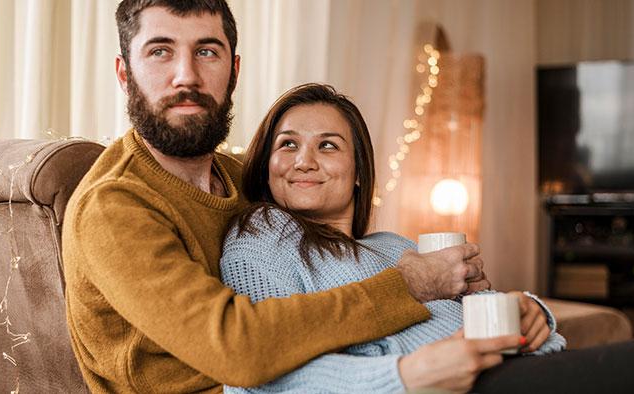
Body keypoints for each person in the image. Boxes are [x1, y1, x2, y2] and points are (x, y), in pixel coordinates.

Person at [62, 1, 491, 393]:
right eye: (160, 51)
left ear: (234, 71)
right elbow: (237, 350)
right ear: (124, 73)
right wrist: (411, 285)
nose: (187, 76)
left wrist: (463, 291)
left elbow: (330, 261)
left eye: (207, 51)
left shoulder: (247, 177)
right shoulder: (113, 206)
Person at [219, 83, 565, 394]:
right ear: (268, 163)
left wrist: (531, 309)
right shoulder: (260, 231)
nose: (304, 161)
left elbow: (485, 307)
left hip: (523, 367)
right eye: (288, 144)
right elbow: (257, 376)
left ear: (358, 171)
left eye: (327, 145)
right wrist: (402, 376)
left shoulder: (394, 245)